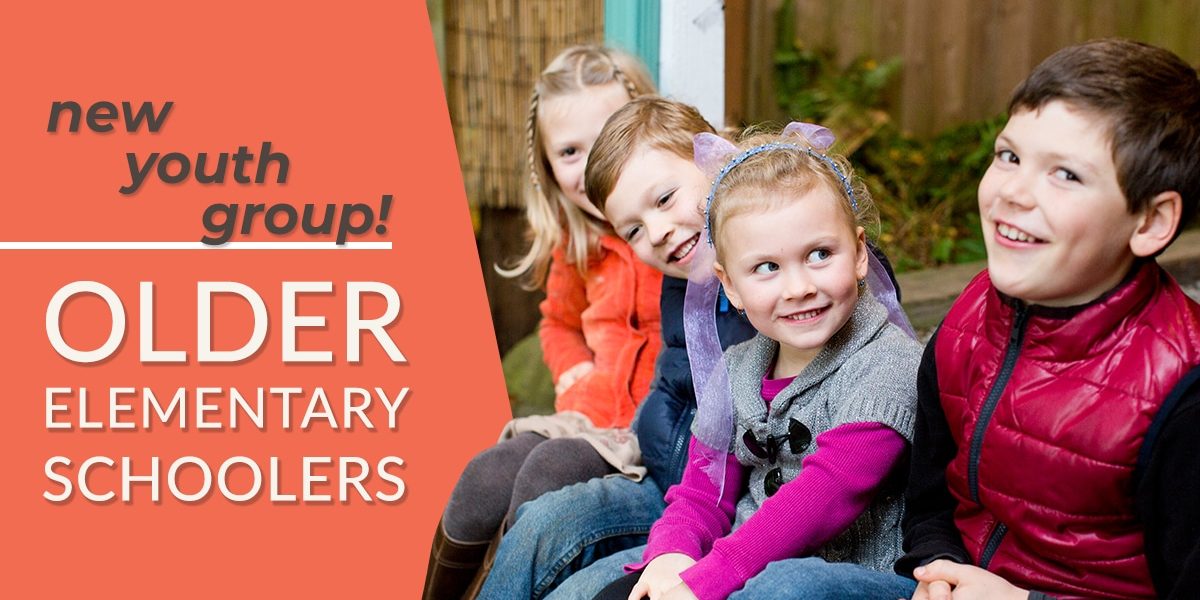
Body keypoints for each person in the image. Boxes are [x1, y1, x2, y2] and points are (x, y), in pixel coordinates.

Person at [893, 38, 1200, 600]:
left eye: (1065, 175)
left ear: (1152, 221)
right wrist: (936, 565)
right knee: (794, 585)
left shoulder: (1183, 391)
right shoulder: (968, 319)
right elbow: (930, 500)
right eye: (1009, 156)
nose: (1012, 191)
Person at [590, 124, 922, 600]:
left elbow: (822, 497)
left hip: (848, 580)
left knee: (784, 587)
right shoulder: (738, 369)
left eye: (820, 254)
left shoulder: (889, 367)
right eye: (766, 267)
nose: (798, 287)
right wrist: (672, 555)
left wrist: (706, 580)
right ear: (729, 285)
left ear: (860, 254)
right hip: (743, 573)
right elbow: (704, 490)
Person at [476, 98, 758, 600]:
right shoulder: (682, 280)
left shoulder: (774, 273)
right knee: (544, 521)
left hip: (730, 508)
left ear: (717, 155)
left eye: (666, 198)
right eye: (633, 229)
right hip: (668, 485)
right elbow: (672, 388)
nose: (657, 233)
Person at [423, 45, 662, 600]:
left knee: (547, 470)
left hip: (646, 433)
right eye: (571, 151)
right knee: (485, 475)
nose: (592, 163)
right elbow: (557, 323)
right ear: (548, 167)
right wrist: (573, 369)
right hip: (593, 413)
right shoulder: (577, 245)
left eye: (607, 136)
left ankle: (509, 586)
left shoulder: (670, 231)